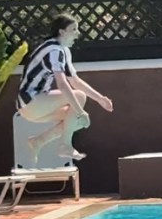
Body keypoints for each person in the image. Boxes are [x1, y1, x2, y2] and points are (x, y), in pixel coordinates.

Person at [17, 13, 113, 163]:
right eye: (73, 29)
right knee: (79, 98)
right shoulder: (54, 51)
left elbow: (75, 81)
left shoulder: (62, 50)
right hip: (31, 102)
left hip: (35, 107)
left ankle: (39, 141)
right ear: (62, 32)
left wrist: (100, 99)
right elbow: (62, 84)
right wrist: (80, 112)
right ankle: (65, 145)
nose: (77, 33)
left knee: (74, 120)